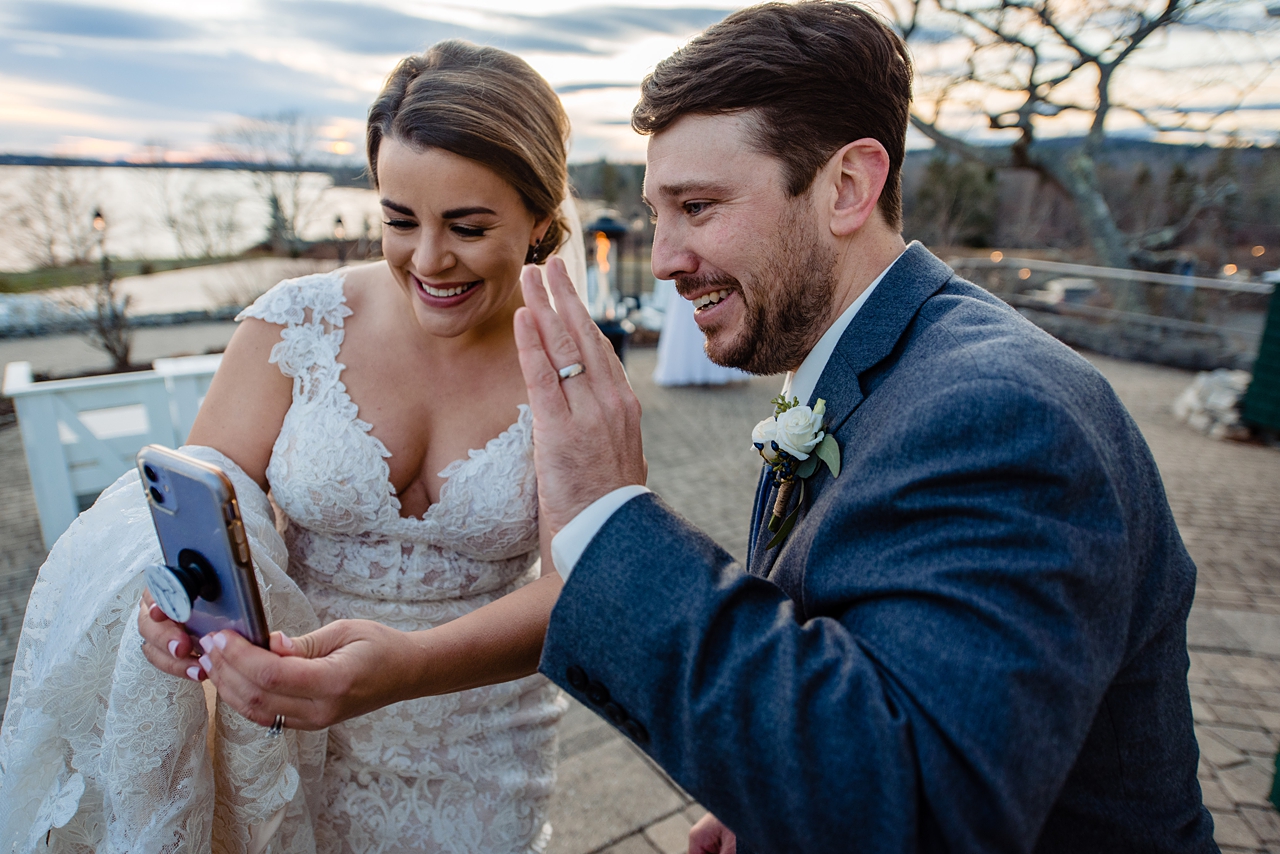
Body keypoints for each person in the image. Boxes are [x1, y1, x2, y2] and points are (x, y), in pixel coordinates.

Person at [512, 3, 1217, 852]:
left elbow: (919, 810)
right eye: (659, 214)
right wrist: (768, 798)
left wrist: (608, 515)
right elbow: (869, 675)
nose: (664, 257)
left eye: (697, 207)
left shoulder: (998, 415)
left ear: (847, 187)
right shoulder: (880, 363)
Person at [2, 40, 584, 853]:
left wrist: (412, 667)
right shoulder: (294, 324)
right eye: (398, 220)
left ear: (541, 222)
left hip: (484, 744)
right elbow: (205, 499)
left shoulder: (573, 362)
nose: (428, 259)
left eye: (469, 226)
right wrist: (175, 601)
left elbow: (581, 588)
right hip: (287, 731)